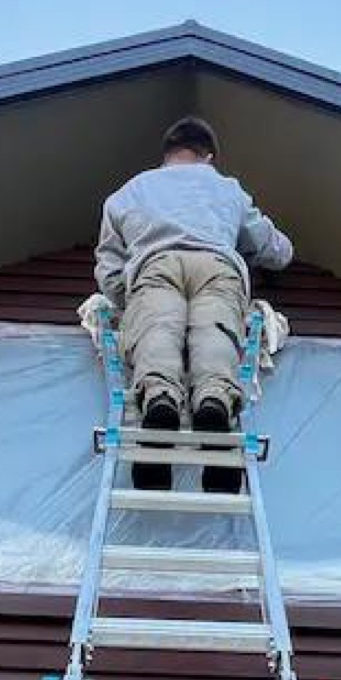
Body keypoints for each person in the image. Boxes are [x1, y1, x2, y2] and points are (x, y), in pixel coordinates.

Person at [94, 116, 293, 490]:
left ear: (166, 155)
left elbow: (108, 264)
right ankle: (214, 402)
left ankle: (160, 402)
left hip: (156, 264)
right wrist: (284, 250)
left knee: (157, 329)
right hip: (217, 266)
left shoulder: (131, 191)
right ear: (208, 157)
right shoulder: (226, 188)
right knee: (214, 332)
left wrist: (128, 297)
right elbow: (270, 245)